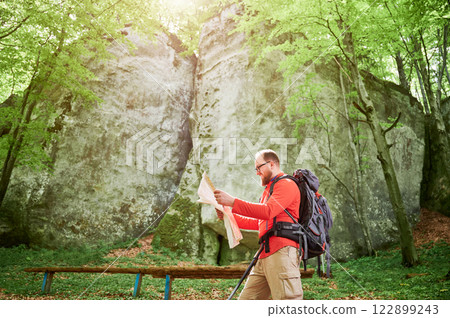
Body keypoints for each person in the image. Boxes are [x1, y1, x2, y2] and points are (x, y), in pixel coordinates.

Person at [214, 149, 303, 300]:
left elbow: (268, 211)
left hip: (282, 252)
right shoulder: (269, 190)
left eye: (259, 168)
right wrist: (230, 217)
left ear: (272, 164)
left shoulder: (287, 184)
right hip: (264, 254)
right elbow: (260, 222)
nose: (257, 173)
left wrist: (233, 202)